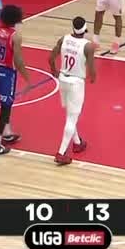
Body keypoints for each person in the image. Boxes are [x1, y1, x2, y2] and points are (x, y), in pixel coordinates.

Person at [0, 4, 32, 155]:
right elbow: (18, 60)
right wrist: (28, 78)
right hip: (7, 74)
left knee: (5, 103)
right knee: (6, 107)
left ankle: (7, 133)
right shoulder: (15, 36)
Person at [48, 16, 96, 165]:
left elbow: (50, 58)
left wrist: (54, 70)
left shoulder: (64, 39)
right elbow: (92, 71)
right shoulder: (88, 46)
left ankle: (77, 142)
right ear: (85, 29)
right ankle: (61, 152)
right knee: (72, 117)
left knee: (69, 114)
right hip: (76, 82)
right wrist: (92, 77)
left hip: (63, 79)